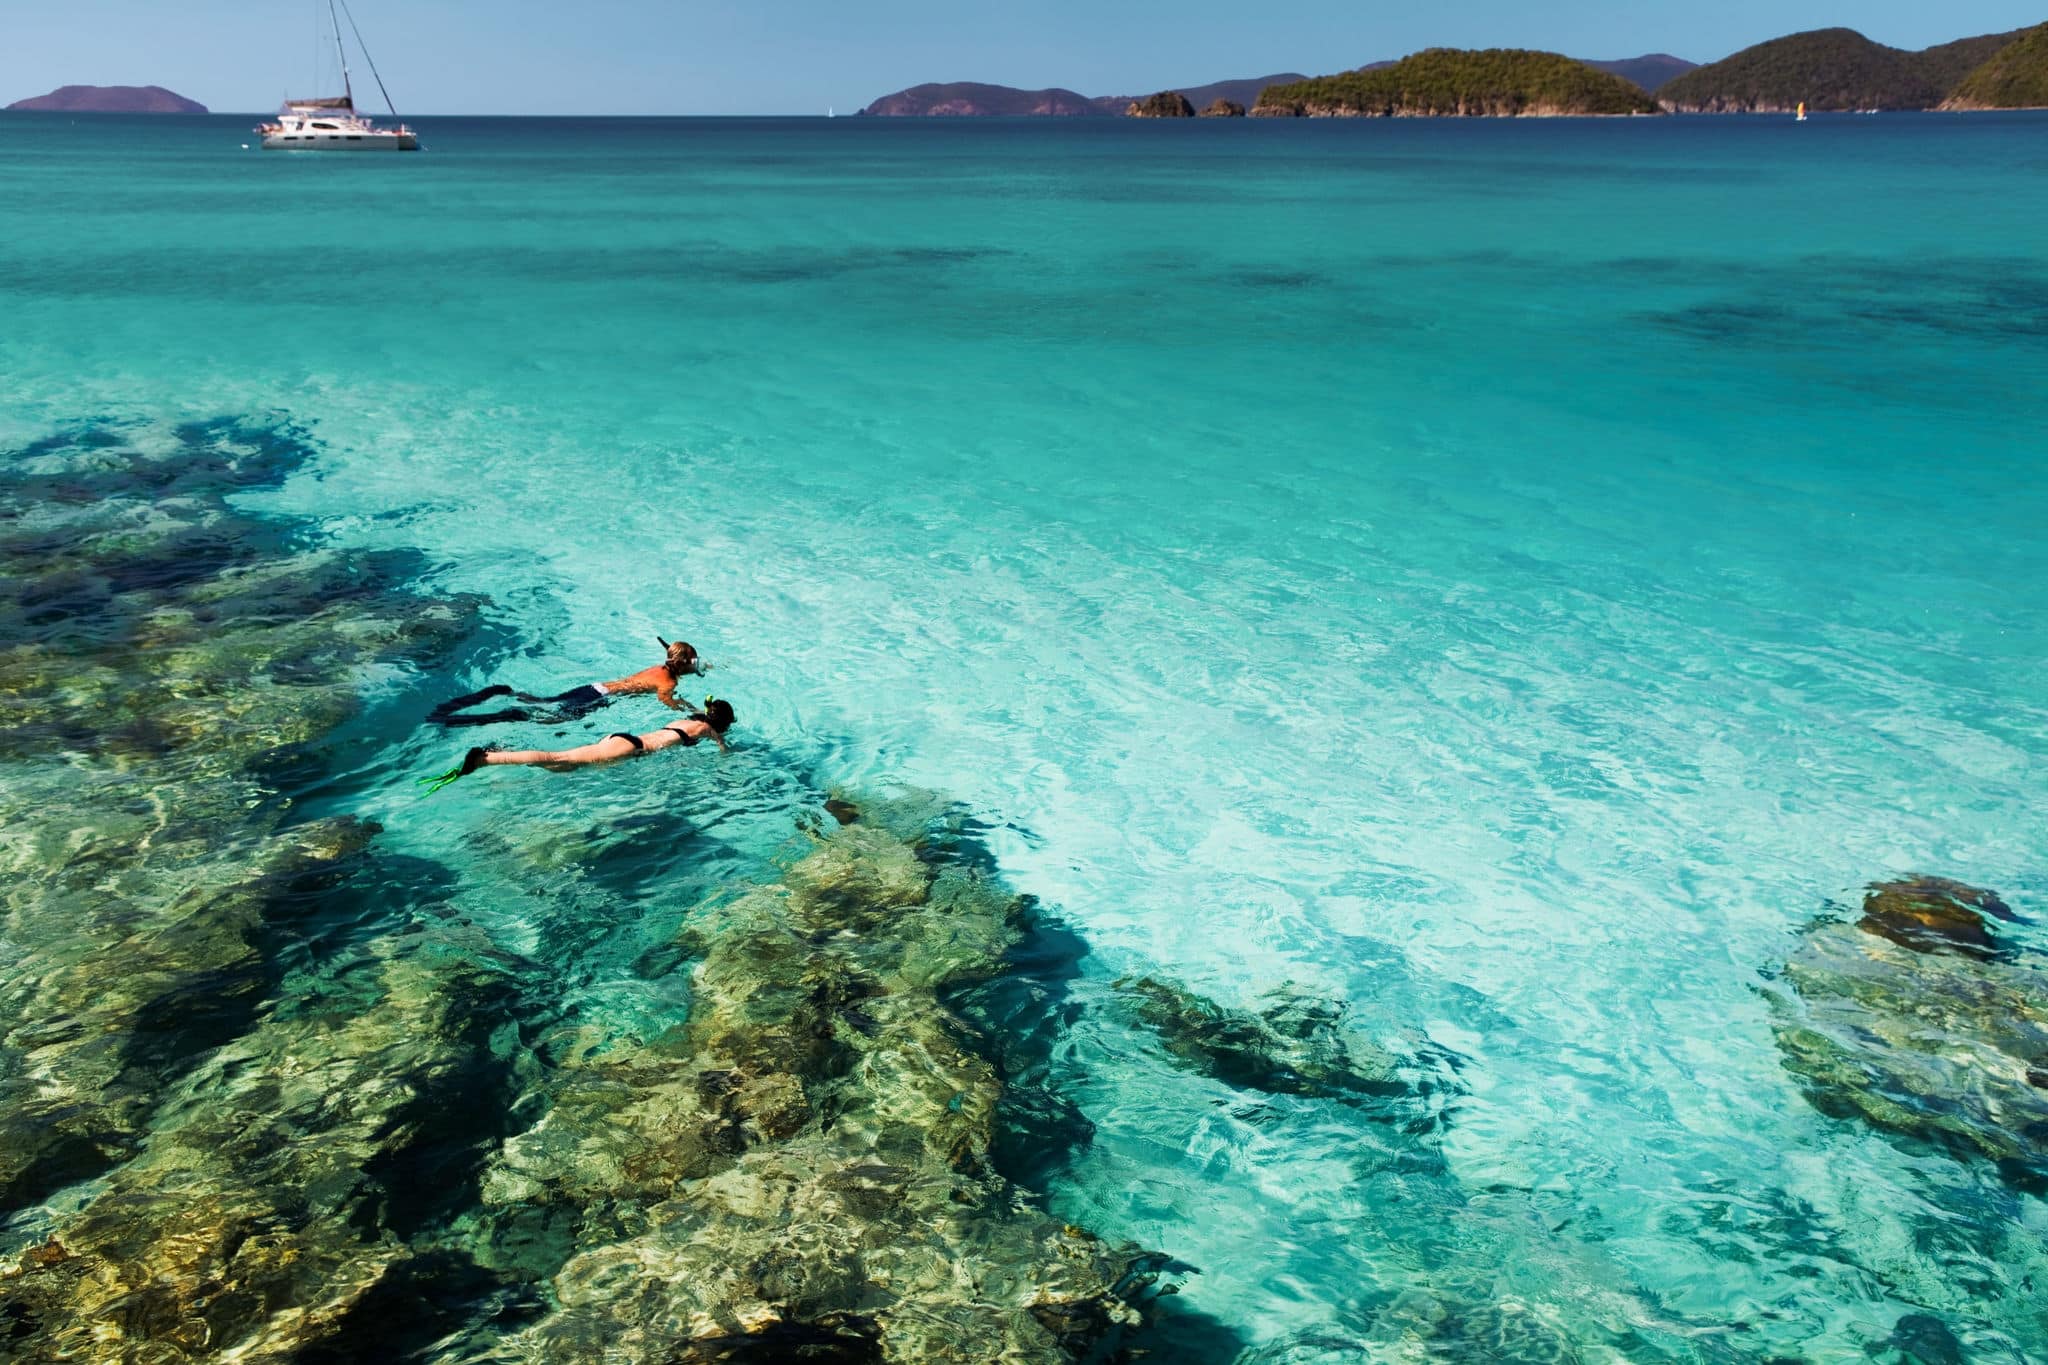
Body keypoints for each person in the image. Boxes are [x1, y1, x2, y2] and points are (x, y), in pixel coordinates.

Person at [420, 698, 735, 792]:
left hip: (622, 740)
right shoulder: (707, 729)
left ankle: (499, 756)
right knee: (559, 757)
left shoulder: (689, 720)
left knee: (562, 768)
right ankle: (487, 758)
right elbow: (723, 749)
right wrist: (729, 754)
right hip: (628, 749)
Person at [429, 636, 706, 727]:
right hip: (598, 698)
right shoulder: (668, 683)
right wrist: (686, 710)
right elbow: (664, 698)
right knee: (552, 719)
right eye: (694, 661)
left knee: (545, 702)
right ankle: (510, 713)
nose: (696, 665)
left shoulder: (658, 668)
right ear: (684, 665)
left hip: (593, 687)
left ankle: (507, 692)